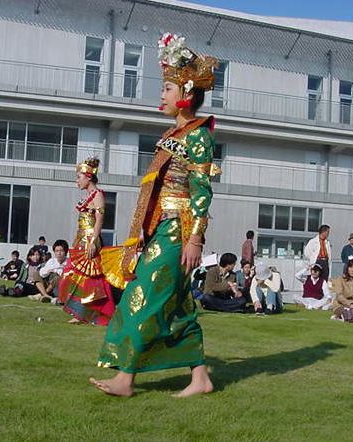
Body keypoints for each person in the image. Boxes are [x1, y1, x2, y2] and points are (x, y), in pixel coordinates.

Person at [91, 32, 219, 397]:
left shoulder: (197, 136)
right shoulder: (173, 133)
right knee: (179, 306)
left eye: (166, 88)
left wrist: (195, 239)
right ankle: (201, 378)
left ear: (186, 92)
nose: (161, 95)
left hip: (177, 231)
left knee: (140, 298)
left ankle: (125, 379)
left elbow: (202, 190)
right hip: (161, 229)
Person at [58, 157, 115, 325]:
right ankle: (80, 313)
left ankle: (88, 314)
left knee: (88, 277)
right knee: (74, 274)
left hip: (90, 239)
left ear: (88, 177)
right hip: (81, 238)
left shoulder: (98, 195)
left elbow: (99, 220)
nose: (77, 181)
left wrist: (93, 241)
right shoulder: (89, 195)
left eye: (79, 177)